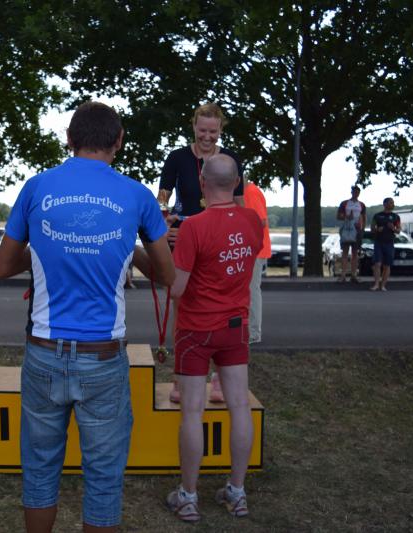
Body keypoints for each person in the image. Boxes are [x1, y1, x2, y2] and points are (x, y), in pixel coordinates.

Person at [0, 101, 175, 533]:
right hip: (103, 359)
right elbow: (168, 276)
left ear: (69, 139)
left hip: (43, 352)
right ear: (119, 141)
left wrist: (49, 244)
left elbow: (2, 267)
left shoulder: (37, 187)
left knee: (40, 471)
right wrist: (125, 246)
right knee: (104, 481)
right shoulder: (137, 195)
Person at [164, 154, 262, 523]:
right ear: (237, 183)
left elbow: (177, 288)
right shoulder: (252, 221)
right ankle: (237, 491)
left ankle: (188, 496)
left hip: (196, 329)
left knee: (192, 411)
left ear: (202, 183)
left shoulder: (194, 227)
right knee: (239, 406)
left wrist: (162, 254)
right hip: (235, 326)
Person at [158, 103, 245, 403]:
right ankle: (181, 378)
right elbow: (162, 199)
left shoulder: (231, 159)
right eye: (202, 130)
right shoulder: (177, 158)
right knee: (182, 309)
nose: (207, 137)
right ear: (193, 126)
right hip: (183, 236)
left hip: (219, 240)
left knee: (222, 309)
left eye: (213, 131)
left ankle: (219, 378)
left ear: (221, 130)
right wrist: (164, 223)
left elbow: (240, 205)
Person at [243, 180, 271, 344]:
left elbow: (261, 221)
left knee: (252, 290)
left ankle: (253, 333)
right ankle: (249, 331)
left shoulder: (251, 193)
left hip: (255, 250)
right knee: (248, 290)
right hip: (251, 250)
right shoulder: (248, 192)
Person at [336, 186, 366, 282]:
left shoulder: (361, 204)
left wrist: (362, 229)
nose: (356, 194)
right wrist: (346, 216)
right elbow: (338, 216)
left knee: (355, 253)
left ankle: (354, 275)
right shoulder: (345, 203)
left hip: (357, 230)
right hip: (346, 229)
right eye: (354, 192)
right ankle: (343, 275)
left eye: (358, 192)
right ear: (351, 192)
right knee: (345, 252)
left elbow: (364, 217)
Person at [370, 197, 401, 292]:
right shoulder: (377, 216)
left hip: (389, 243)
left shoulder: (395, 217)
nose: (393, 204)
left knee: (387, 265)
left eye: (393, 203)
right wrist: (377, 229)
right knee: (377, 263)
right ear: (385, 204)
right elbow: (372, 228)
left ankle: (383, 285)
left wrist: (393, 228)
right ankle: (376, 284)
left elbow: (399, 230)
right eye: (391, 203)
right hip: (379, 242)